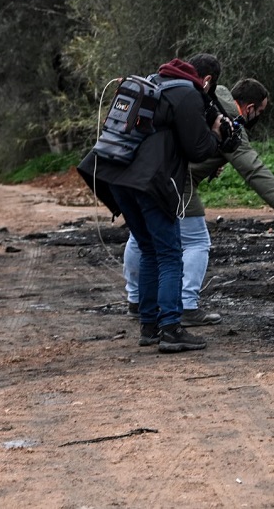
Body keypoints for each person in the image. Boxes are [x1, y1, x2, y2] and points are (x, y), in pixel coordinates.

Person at [123, 75, 274, 324]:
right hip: (177, 181)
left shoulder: (211, 97)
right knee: (197, 242)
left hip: (142, 170)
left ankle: (136, 300)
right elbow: (254, 170)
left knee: (140, 237)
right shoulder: (230, 126)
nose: (259, 117)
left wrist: (211, 163)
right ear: (250, 108)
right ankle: (187, 305)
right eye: (261, 111)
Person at [79, 57, 225, 353]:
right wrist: (218, 136)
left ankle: (149, 326)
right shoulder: (188, 94)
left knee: (148, 249)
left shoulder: (152, 85)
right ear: (205, 81)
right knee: (170, 253)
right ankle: (171, 329)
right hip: (148, 182)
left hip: (115, 176)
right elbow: (198, 150)